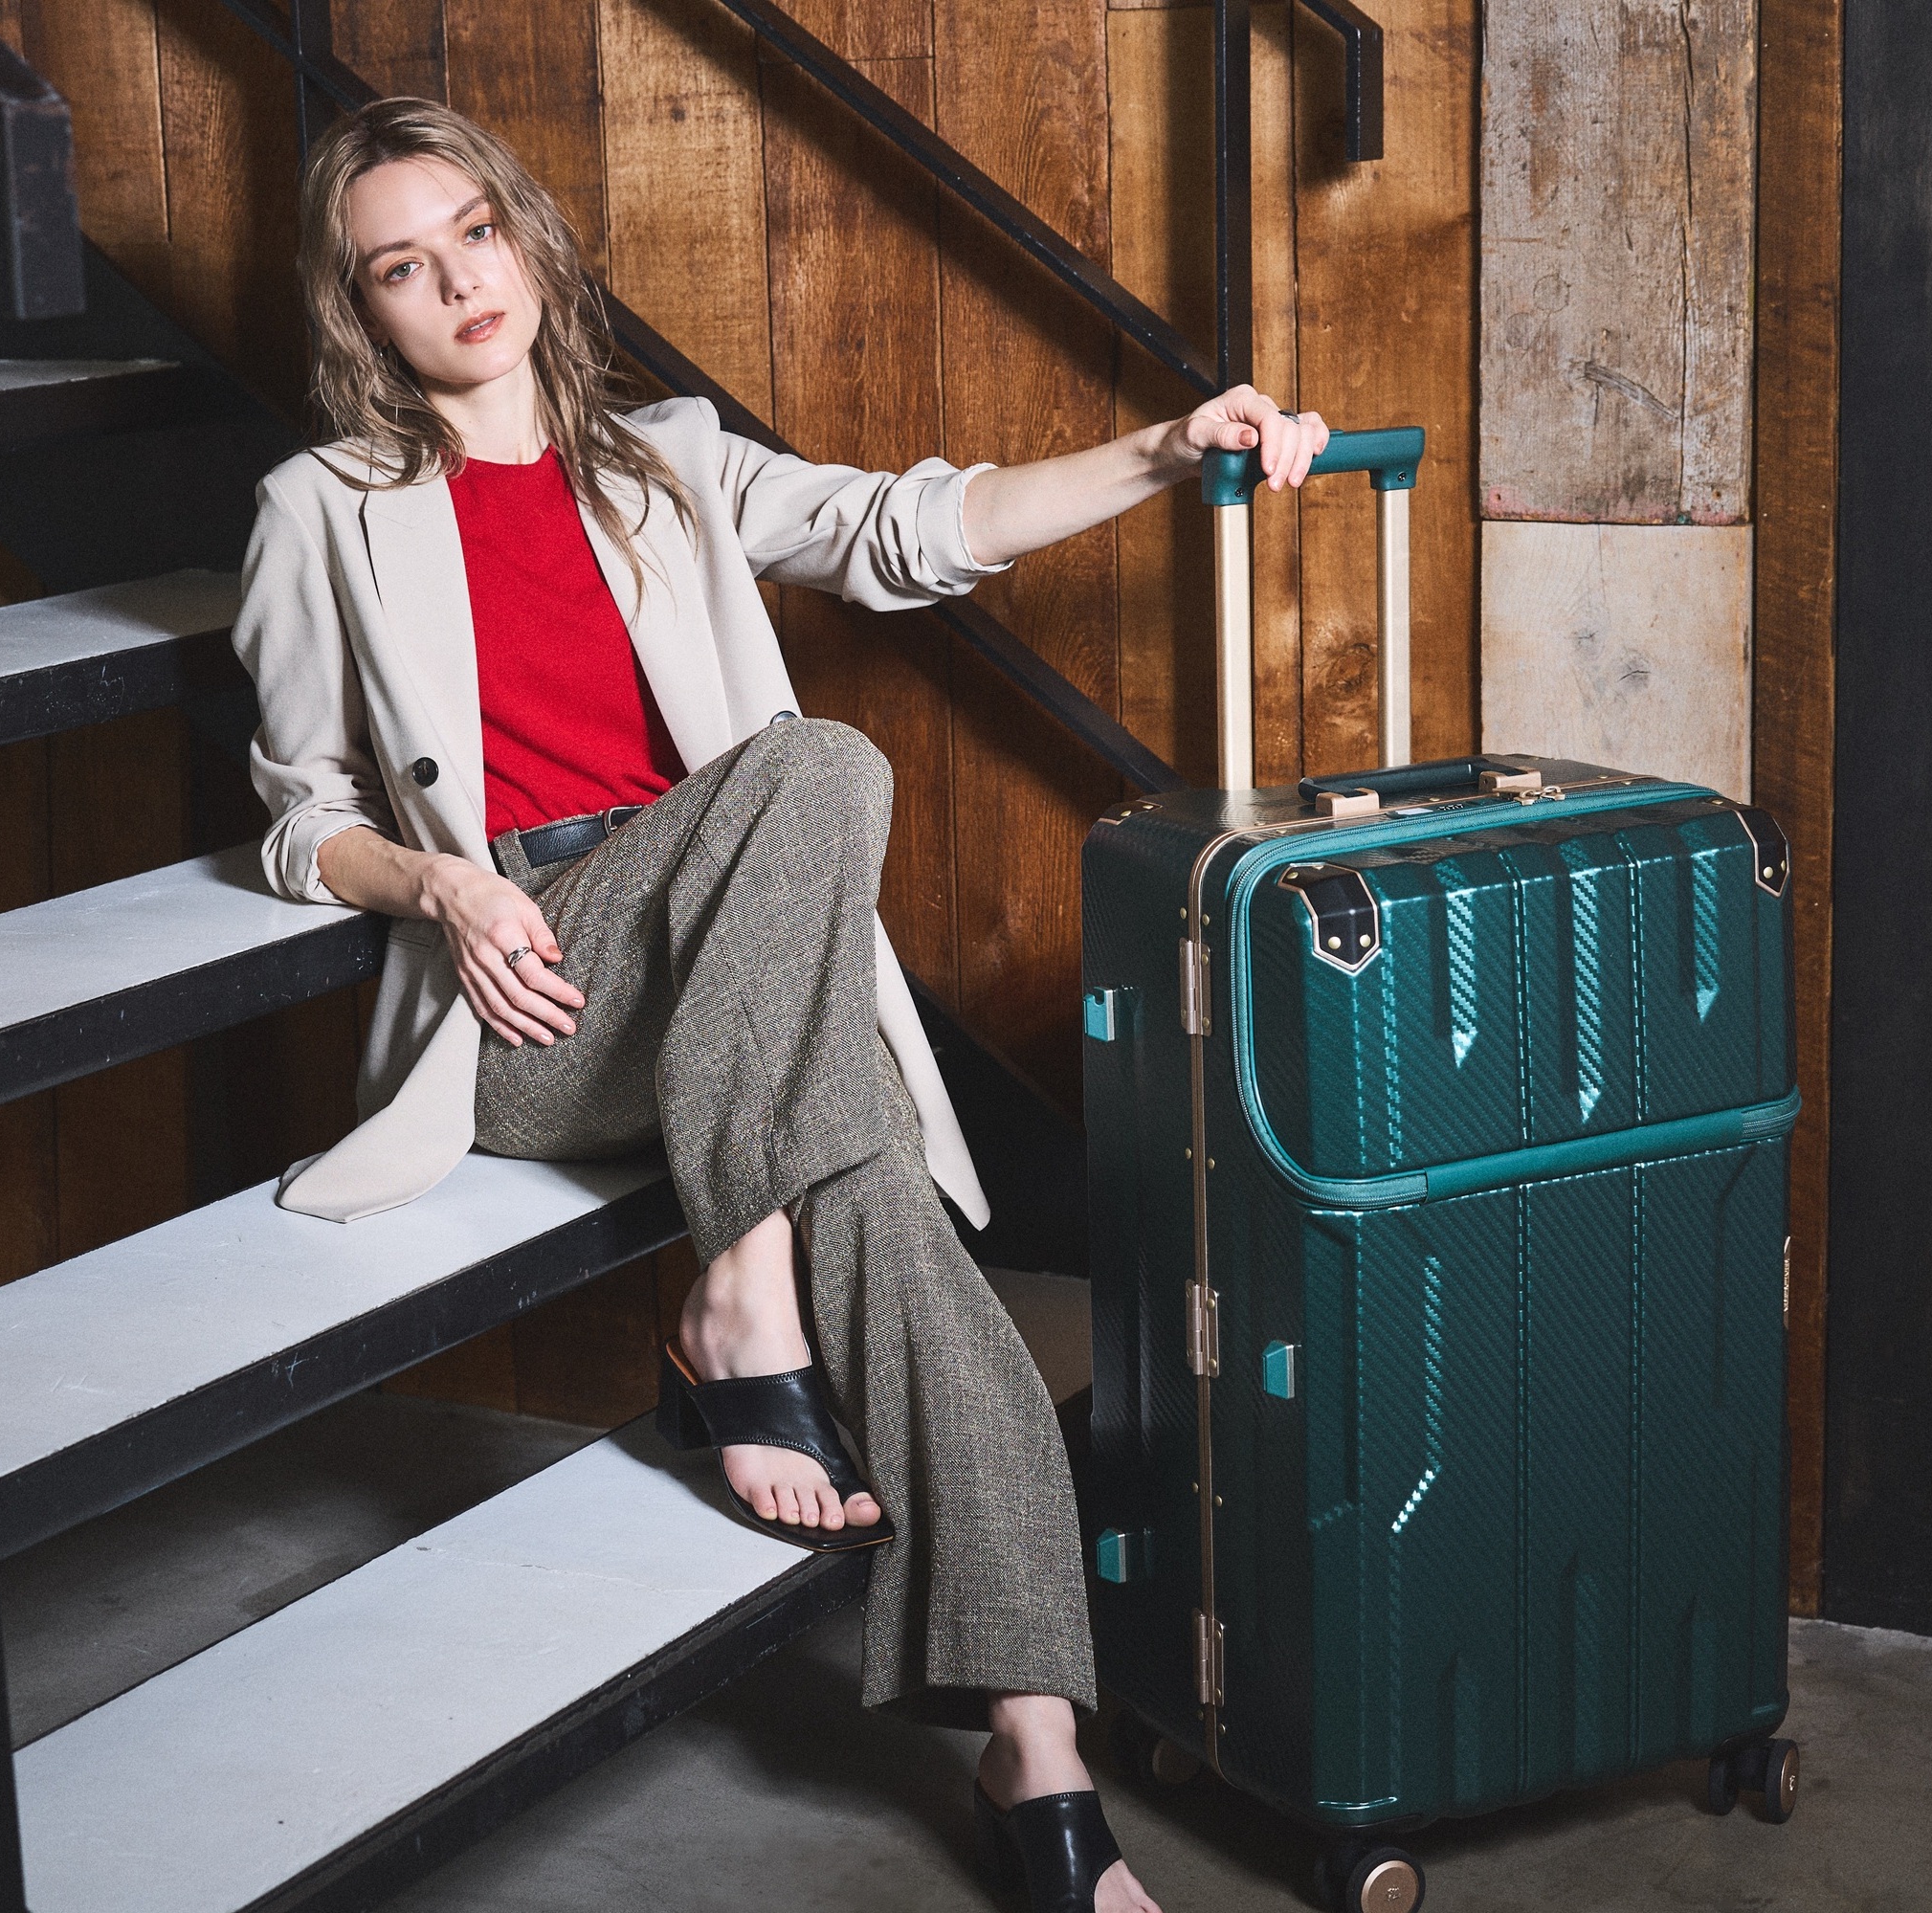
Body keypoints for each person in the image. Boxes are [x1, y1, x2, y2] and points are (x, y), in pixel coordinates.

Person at [233, 96, 1327, 1913]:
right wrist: (445, 886)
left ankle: (1038, 1751)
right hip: (538, 997)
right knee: (818, 766)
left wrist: (1160, 446)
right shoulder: (318, 514)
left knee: (884, 1207)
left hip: (739, 970)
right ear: (363, 313)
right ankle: (744, 1295)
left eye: (475, 234)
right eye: (401, 268)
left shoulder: (665, 459)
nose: (458, 283)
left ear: (525, 238)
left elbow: (911, 527)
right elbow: (299, 819)